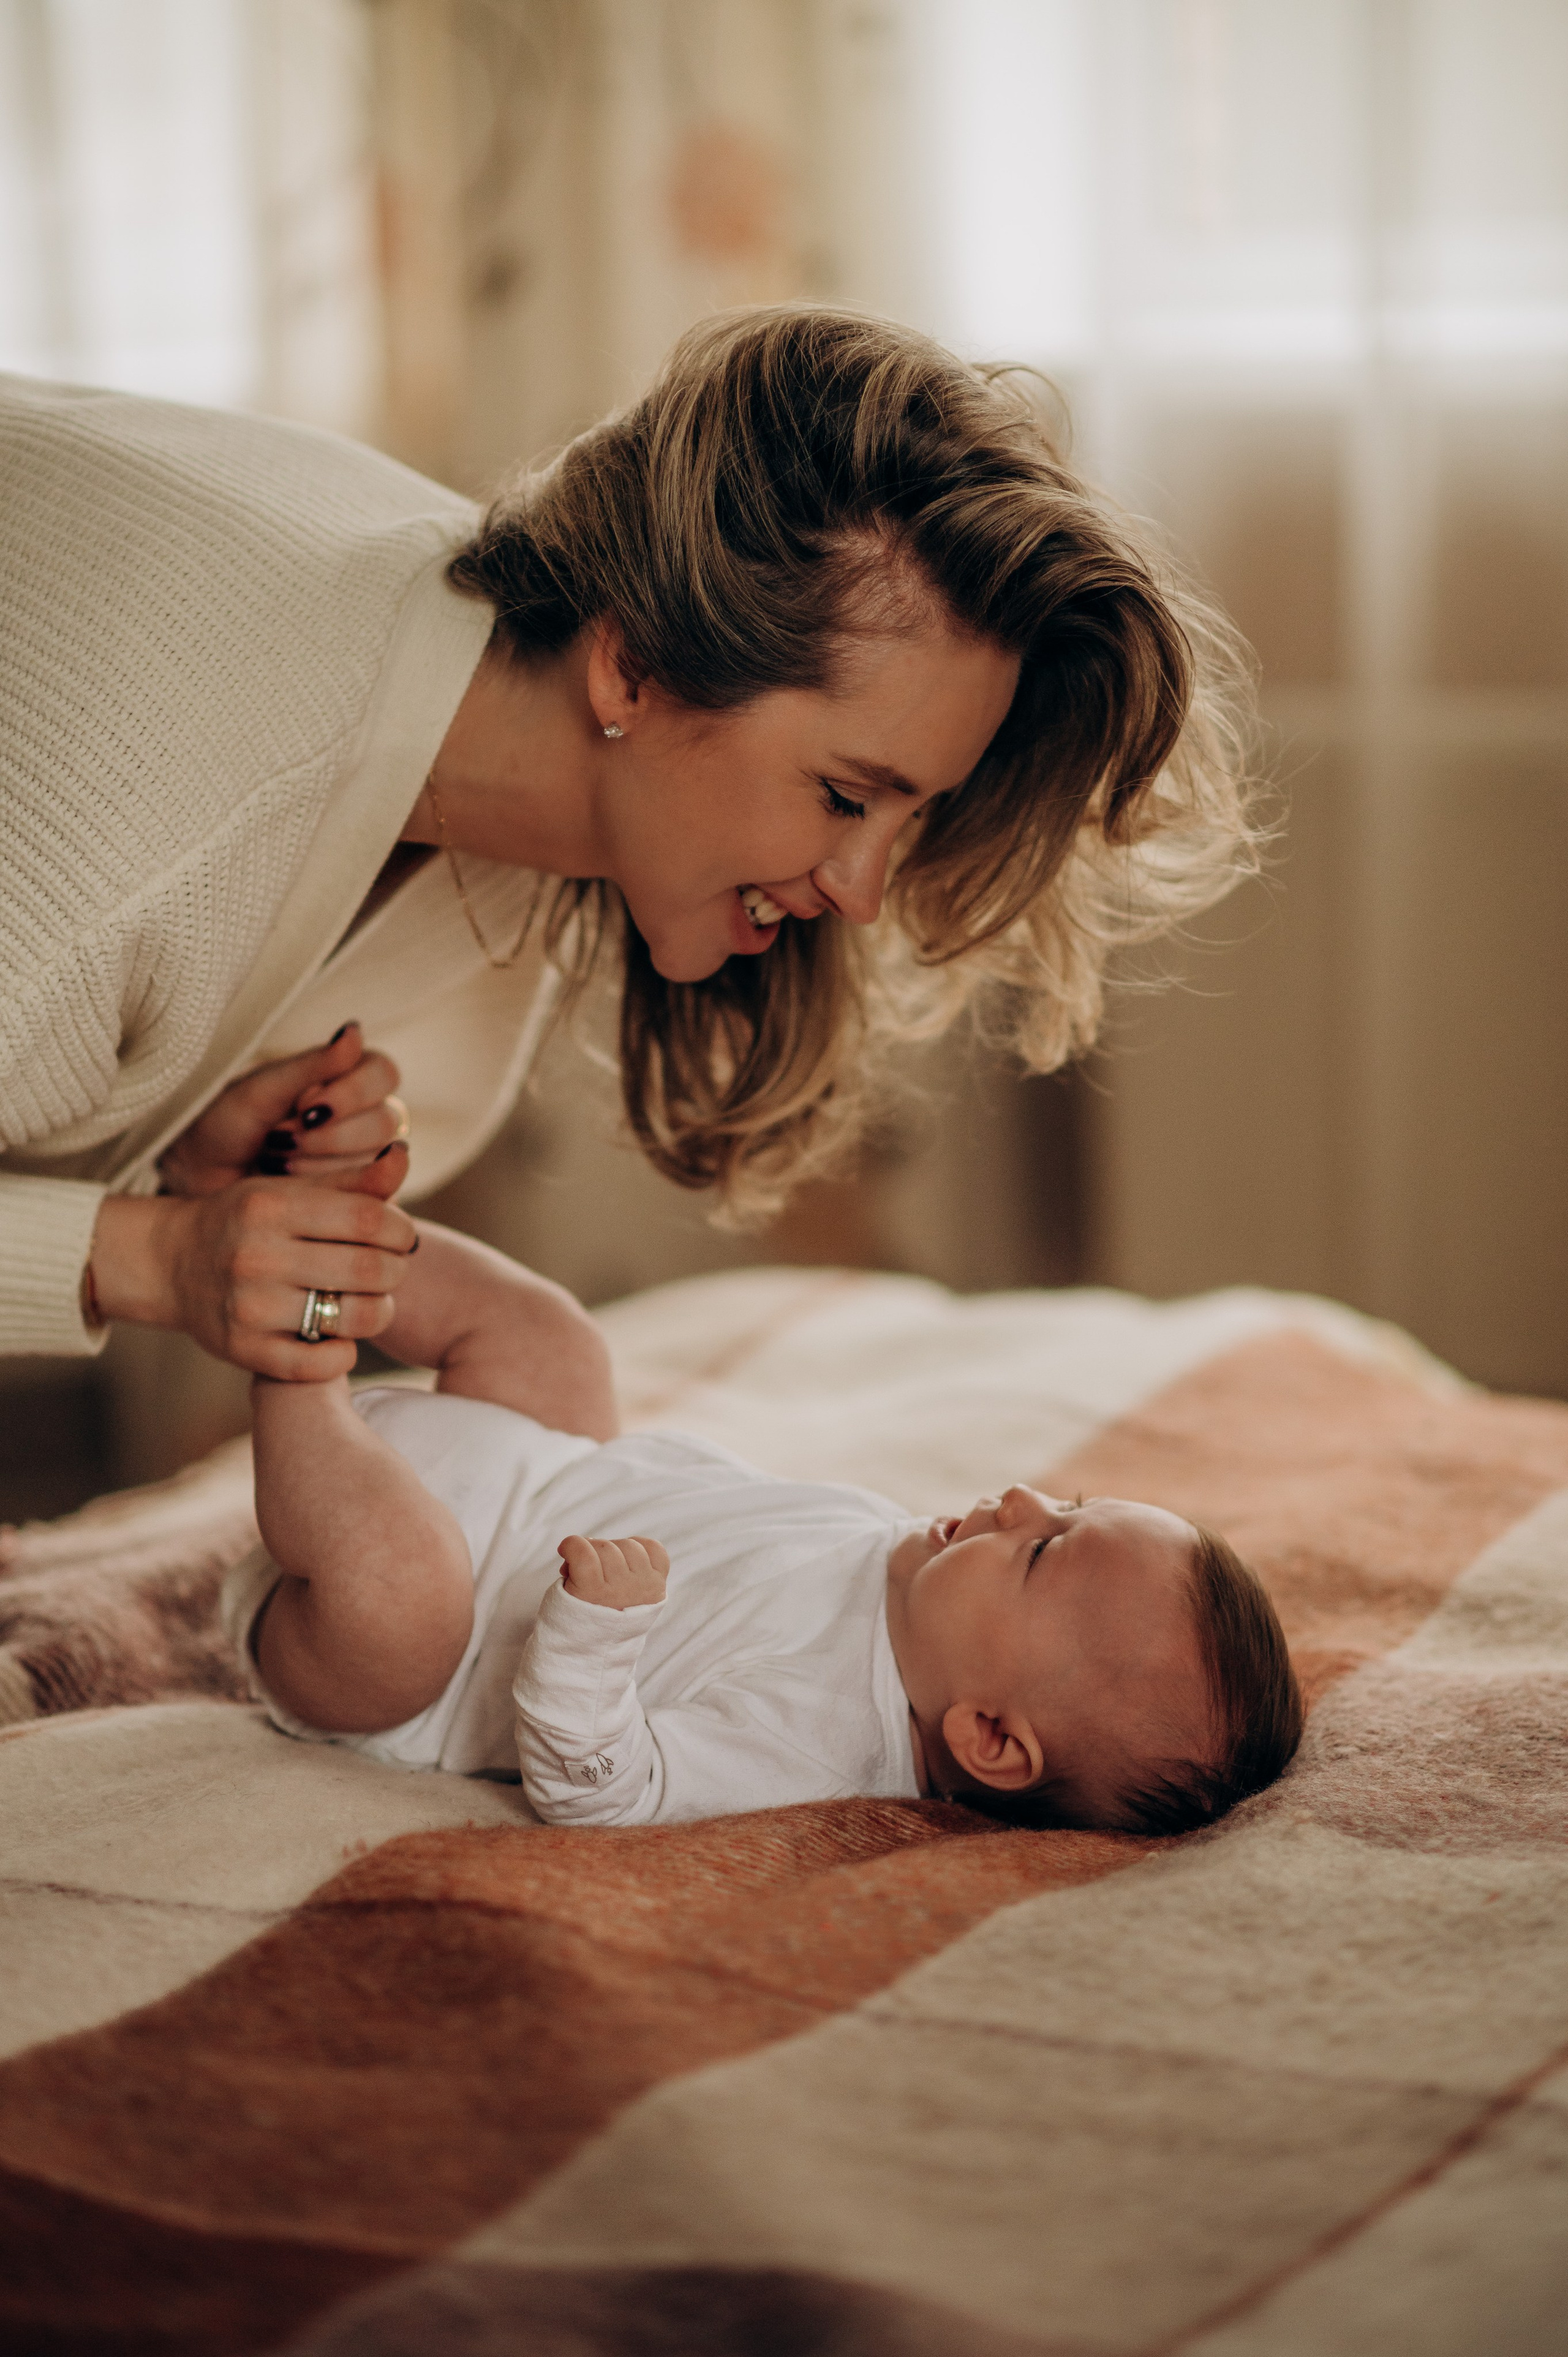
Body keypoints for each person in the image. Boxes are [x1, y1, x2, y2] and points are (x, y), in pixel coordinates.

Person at [2, 308, 1253, 1376]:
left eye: (908, 814)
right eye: (842, 794)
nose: (864, 892)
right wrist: (150, 1258)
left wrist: (175, 1151)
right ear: (633, 667)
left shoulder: (463, 716)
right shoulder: (147, 819)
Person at [228, 1216, 1303, 1837]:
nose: (1024, 1497)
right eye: (1069, 1504)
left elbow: (605, 1791)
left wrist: (598, 1638)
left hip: (386, 1651)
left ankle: (285, 1336)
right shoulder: (908, 1573)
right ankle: (322, 1227)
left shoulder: (818, 1742)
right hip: (526, 1478)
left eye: (1044, 1547)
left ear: (988, 1738)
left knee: (406, 1590)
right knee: (556, 1344)